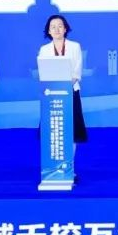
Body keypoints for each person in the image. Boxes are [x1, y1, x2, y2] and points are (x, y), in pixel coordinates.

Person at [38, 14, 87, 144]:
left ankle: (71, 156)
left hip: (71, 91)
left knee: (73, 130)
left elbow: (77, 71)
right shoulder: (44, 49)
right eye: (53, 27)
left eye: (60, 26)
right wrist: (55, 87)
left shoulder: (75, 46)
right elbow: (43, 72)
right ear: (49, 31)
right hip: (51, 94)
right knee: (53, 129)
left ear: (65, 29)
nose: (57, 29)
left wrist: (65, 86)